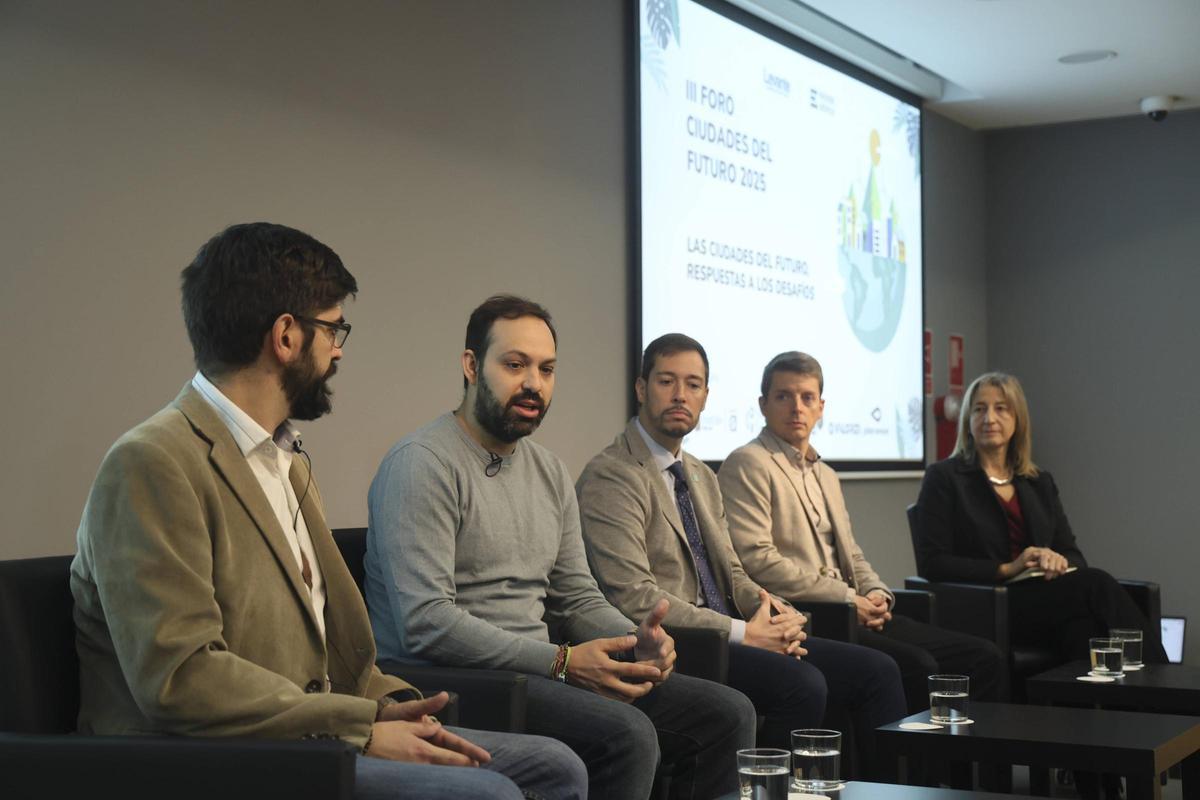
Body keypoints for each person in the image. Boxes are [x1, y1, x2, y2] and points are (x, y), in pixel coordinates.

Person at [70, 224, 586, 800]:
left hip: (313, 732)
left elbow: (328, 649)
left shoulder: (285, 460)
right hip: (213, 758)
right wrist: (358, 728)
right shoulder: (151, 462)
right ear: (287, 336)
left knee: (555, 767)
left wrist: (392, 707)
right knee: (486, 793)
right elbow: (181, 680)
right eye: (333, 328)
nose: (339, 347)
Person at [365, 297, 756, 800]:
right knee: (627, 735)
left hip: (541, 668)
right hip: (464, 681)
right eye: (514, 365)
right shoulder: (422, 463)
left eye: (546, 369)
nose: (533, 383)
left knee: (727, 714)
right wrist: (563, 662)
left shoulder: (547, 469)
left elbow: (576, 595)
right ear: (470, 366)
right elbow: (427, 623)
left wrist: (634, 641)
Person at [575, 334, 905, 775]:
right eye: (666, 381)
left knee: (876, 670)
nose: (680, 395)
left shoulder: (697, 473)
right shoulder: (612, 475)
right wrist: (741, 634)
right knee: (802, 686)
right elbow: (634, 597)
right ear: (640, 388)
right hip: (676, 642)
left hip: (729, 627)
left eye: (693, 385)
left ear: (706, 397)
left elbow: (731, 570)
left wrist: (776, 612)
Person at [718, 351, 1003, 712]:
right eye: (783, 396)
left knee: (983, 656)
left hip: (855, 609)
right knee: (920, 666)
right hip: (812, 615)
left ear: (821, 407)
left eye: (807, 398)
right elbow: (759, 560)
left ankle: (964, 767)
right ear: (763, 405)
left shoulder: (826, 474)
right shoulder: (748, 462)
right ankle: (910, 769)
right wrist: (849, 598)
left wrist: (877, 593)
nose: (796, 408)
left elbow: (851, 552)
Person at [915, 371, 1166, 665]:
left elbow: (1073, 555)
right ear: (968, 420)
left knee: (1083, 629)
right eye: (979, 409)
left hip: (1043, 599)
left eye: (1001, 408)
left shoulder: (1038, 481)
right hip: (989, 604)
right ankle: (1165, 684)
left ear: (1017, 419)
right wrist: (1008, 568)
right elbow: (933, 562)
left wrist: (1057, 561)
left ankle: (1090, 710)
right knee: (1097, 584)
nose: (989, 418)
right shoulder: (944, 477)